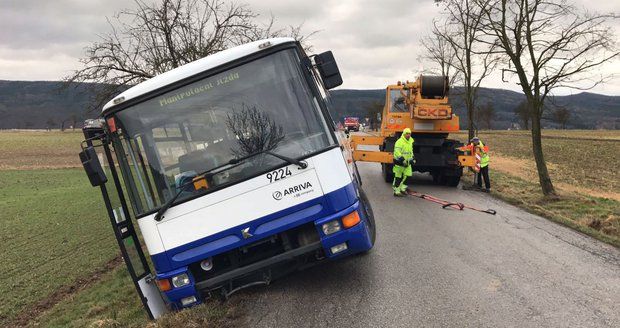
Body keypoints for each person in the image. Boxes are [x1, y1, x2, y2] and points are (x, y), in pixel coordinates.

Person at [393, 128, 415, 196]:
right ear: (404, 134)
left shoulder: (410, 141)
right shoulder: (399, 142)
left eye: (409, 134)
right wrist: (402, 160)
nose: (408, 135)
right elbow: (397, 152)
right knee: (398, 177)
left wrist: (412, 158)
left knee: (409, 176)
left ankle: (402, 188)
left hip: (407, 163)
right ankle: (396, 191)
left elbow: (410, 151)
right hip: (399, 163)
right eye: (407, 134)